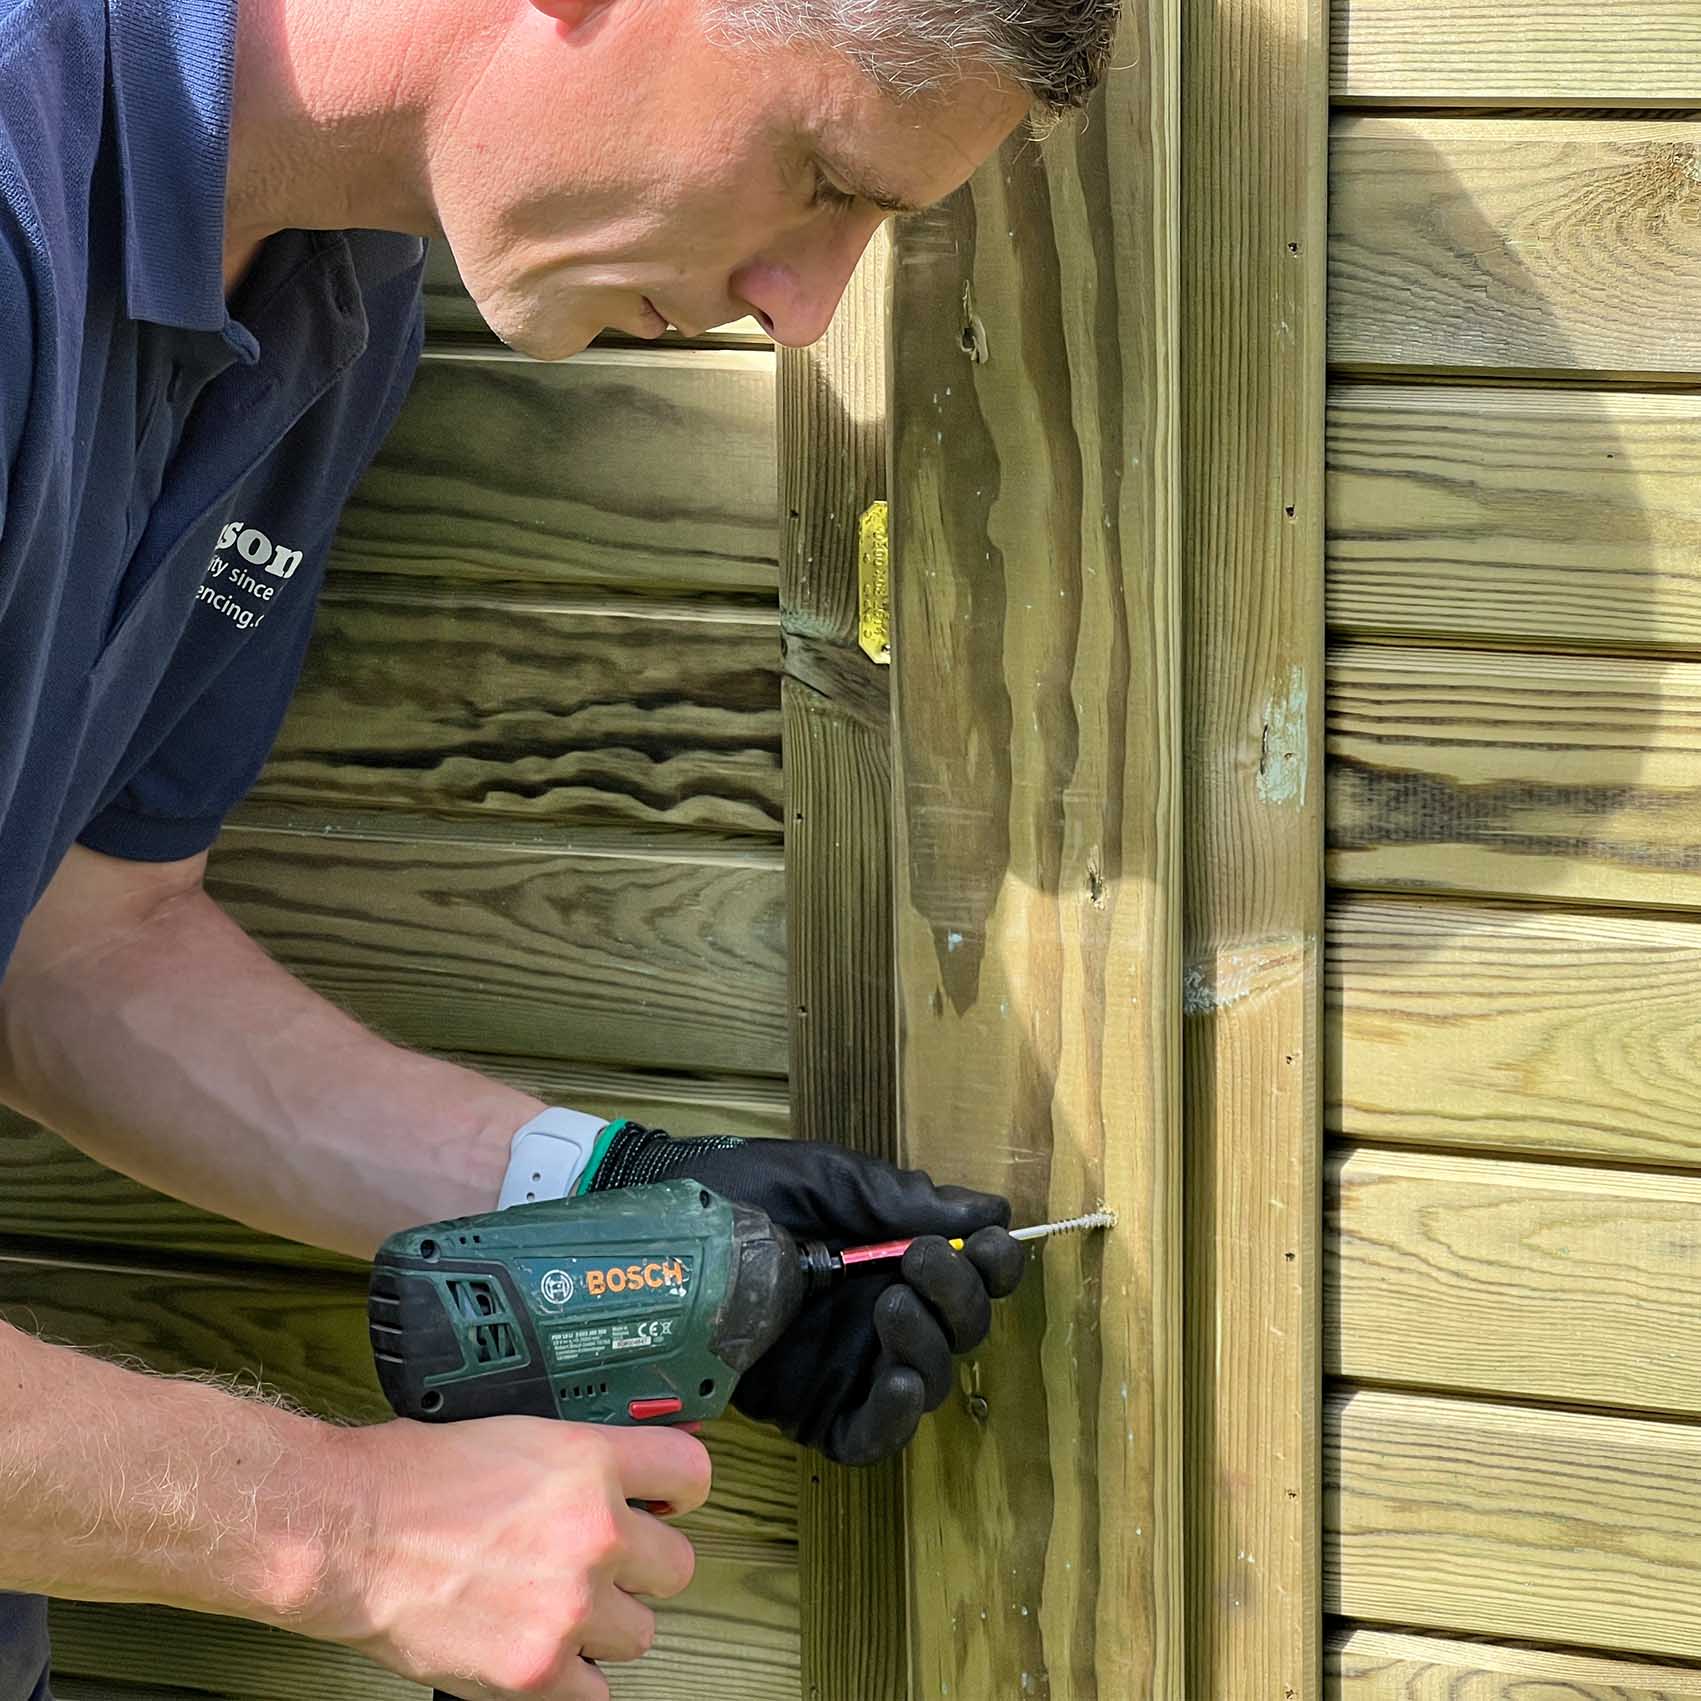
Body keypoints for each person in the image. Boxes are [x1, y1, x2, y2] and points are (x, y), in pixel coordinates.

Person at [0, 0, 1118, 1694]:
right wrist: (338, 1527)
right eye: (819, 174)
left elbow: (78, 947)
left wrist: (627, 1201)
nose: (805, 310)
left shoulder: (321, 299)